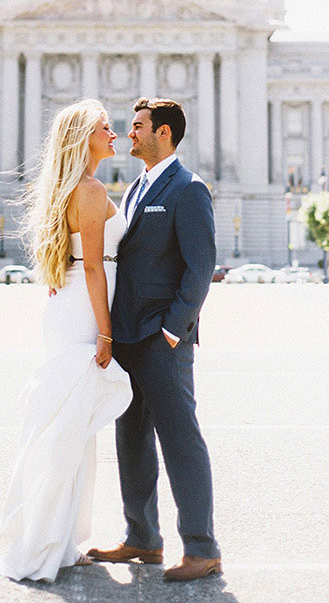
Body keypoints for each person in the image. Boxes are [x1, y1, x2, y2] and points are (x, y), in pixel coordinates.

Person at [0, 99, 132, 582]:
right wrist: (106, 331)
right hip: (83, 314)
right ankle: (47, 540)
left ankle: (62, 535)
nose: (114, 134)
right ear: (84, 138)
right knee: (68, 429)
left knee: (68, 426)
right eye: (106, 128)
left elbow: (77, 262)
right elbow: (94, 264)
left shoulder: (67, 187)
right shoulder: (90, 190)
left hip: (68, 306)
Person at [88, 97, 221, 582]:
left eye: (138, 126)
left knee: (180, 441)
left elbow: (201, 266)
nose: (129, 134)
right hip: (127, 337)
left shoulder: (188, 189)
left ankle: (203, 547)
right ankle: (143, 537)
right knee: (132, 442)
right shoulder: (137, 187)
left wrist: (173, 330)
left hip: (161, 340)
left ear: (163, 133)